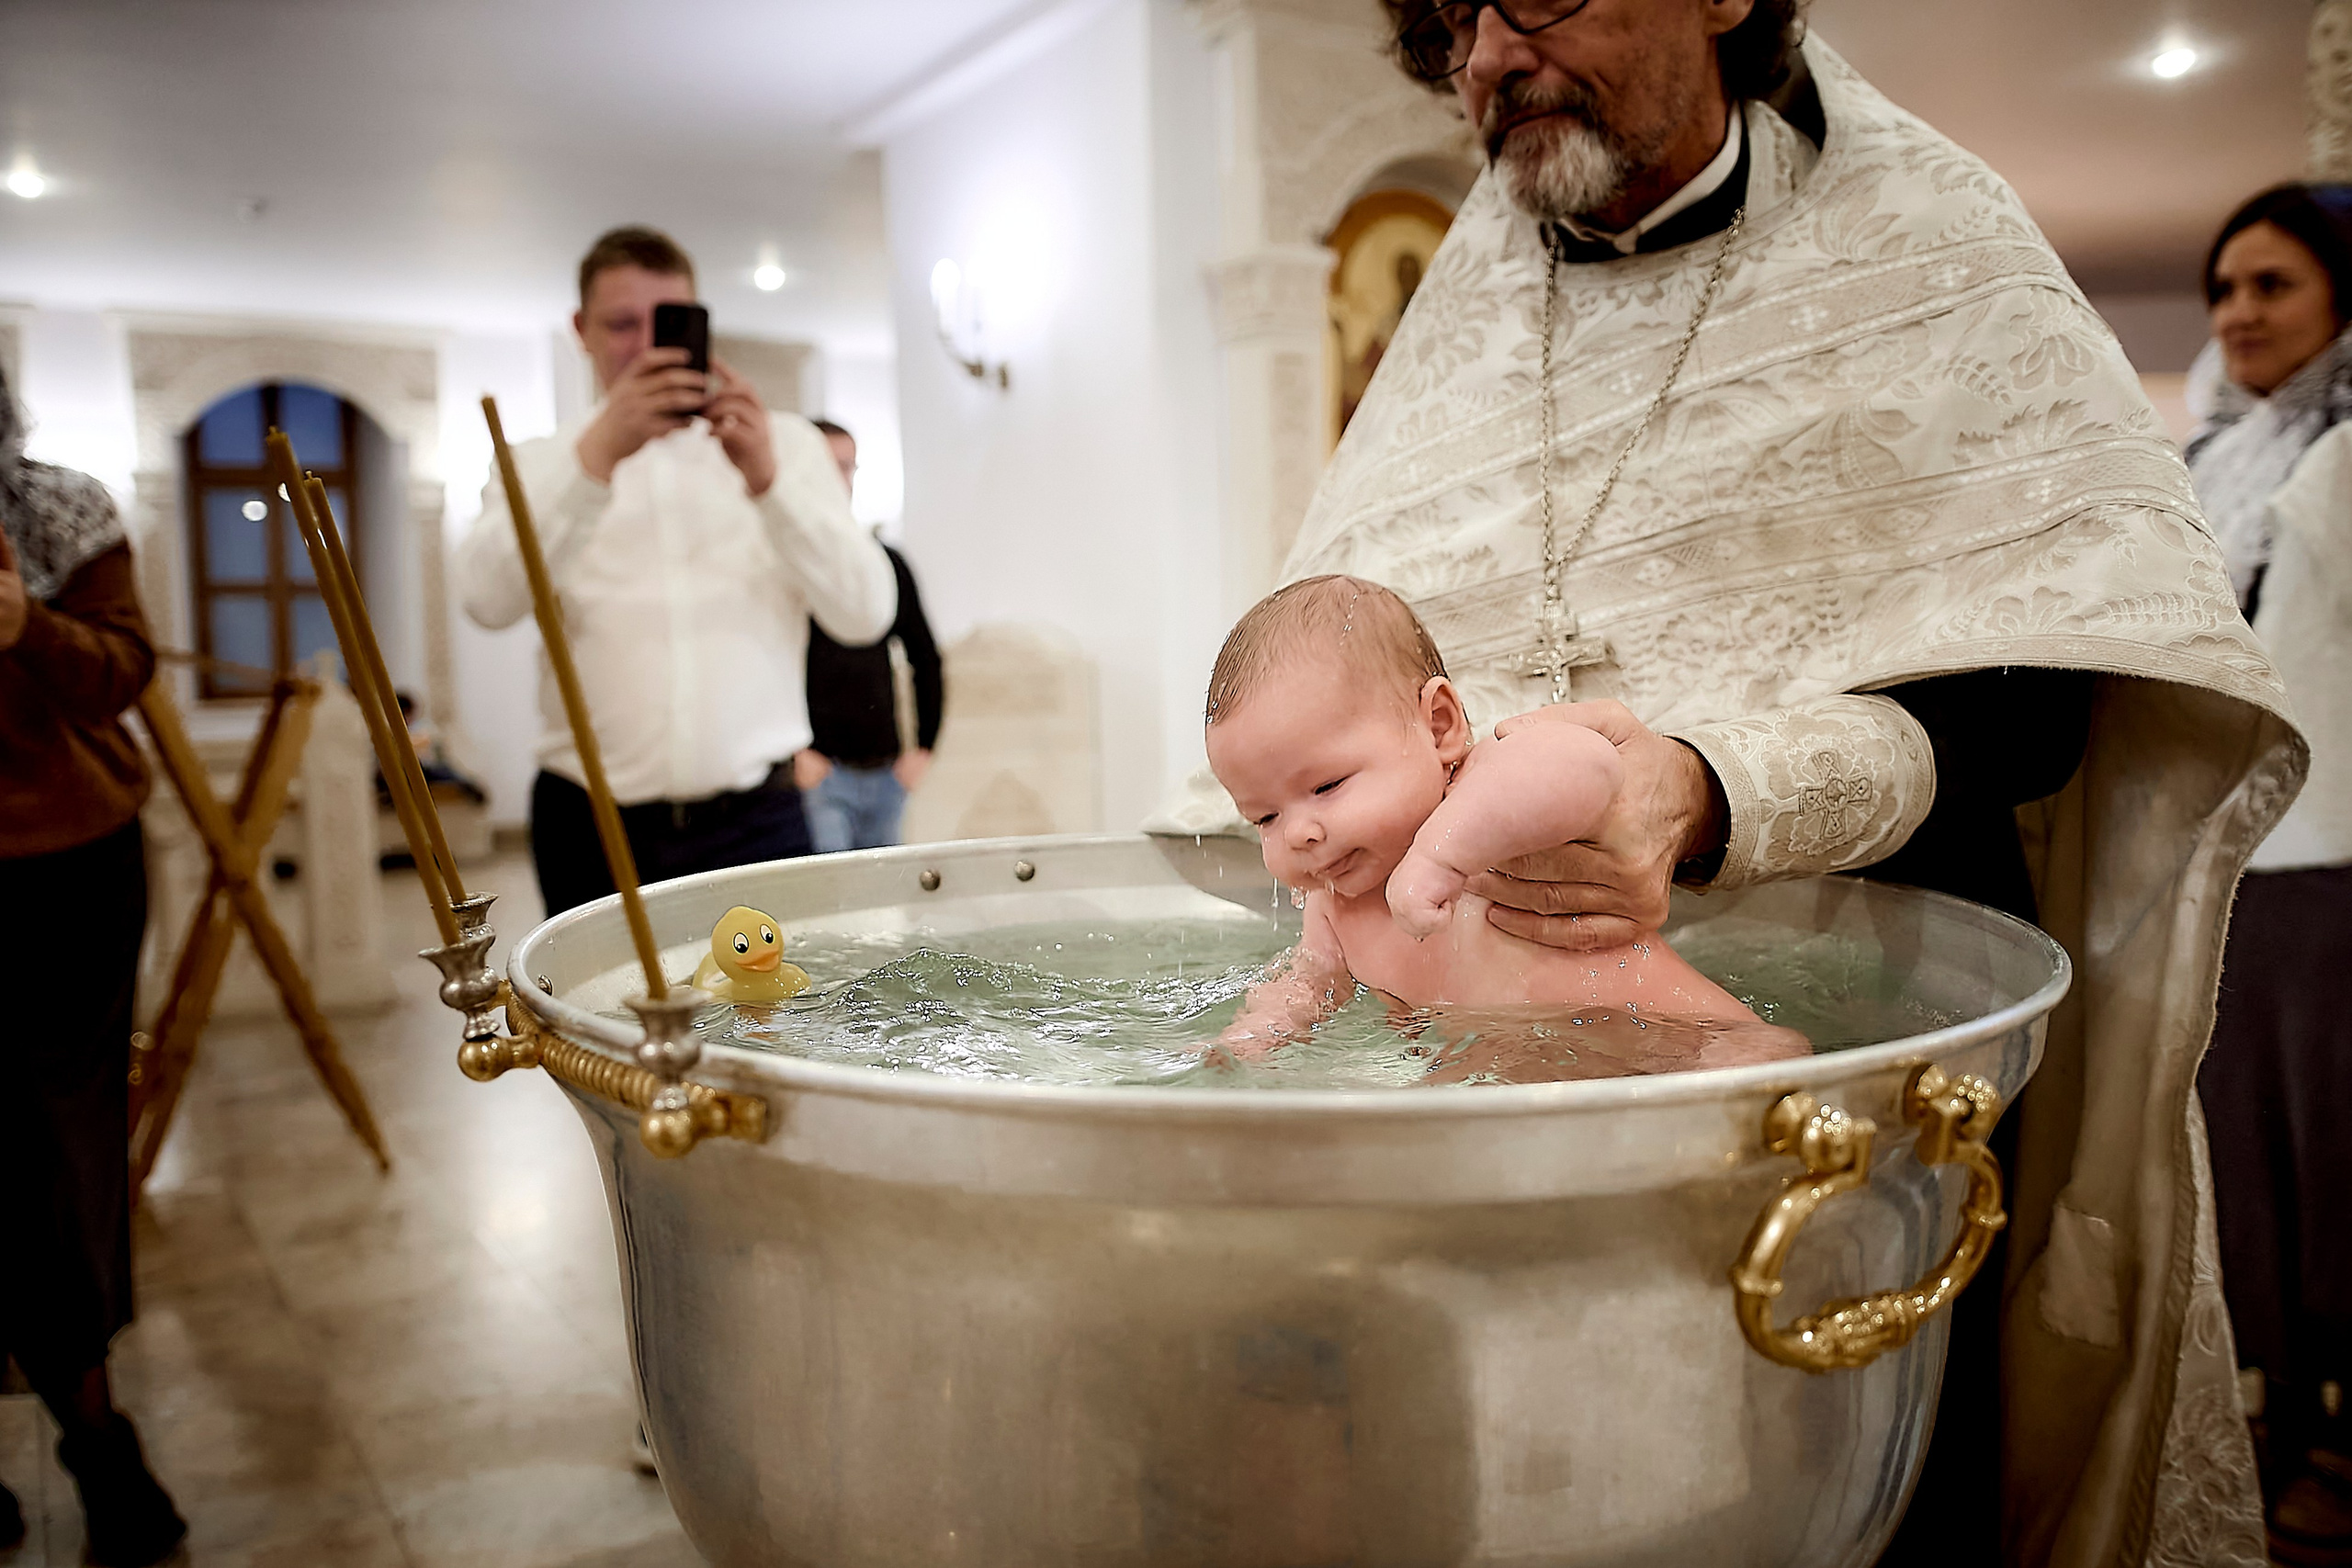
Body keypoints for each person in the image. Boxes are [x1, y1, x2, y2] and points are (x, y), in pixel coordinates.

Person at [1149, 4, 2305, 1562]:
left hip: (1856, 1016)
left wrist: (1705, 788)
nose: (1488, 54)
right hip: (1496, 1111)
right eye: (1453, 19)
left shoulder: (1931, 248)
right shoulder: (1465, 319)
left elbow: (2046, 701)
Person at [457, 227, 897, 915]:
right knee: (595, 994)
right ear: (581, 330)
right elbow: (487, 600)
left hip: (758, 820)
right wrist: (595, 459)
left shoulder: (786, 446)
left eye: (666, 322)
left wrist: (769, 482)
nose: (646, 347)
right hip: (591, 825)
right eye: (621, 324)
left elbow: (866, 614)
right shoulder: (540, 461)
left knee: (767, 992)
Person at [1204, 575, 1804, 1070]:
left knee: (1761, 1075)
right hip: (1510, 1064)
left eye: (1327, 786)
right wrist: (1245, 1042)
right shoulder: (1334, 907)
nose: (1299, 833)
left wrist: (1440, 855)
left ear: (1439, 726)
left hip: (1689, 1039)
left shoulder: (1485, 790)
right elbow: (1307, 987)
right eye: (1265, 817)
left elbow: (1589, 767)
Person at [2186, 183, 2352, 1563]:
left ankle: (2341, 1435)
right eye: (2224, 288)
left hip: (2334, 854)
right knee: (2247, 1146)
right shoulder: (2212, 453)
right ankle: (2280, 1406)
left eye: (2273, 284)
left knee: (2335, 1144)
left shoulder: (2347, 452)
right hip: (2230, 856)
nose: (2237, 313)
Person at [0, 365, 187, 1565]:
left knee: (56, 1162)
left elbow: (124, 669)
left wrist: (27, 625)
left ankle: (97, 1436)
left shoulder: (59, 508)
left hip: (59, 874)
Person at [794, 418, 944, 853]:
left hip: (885, 772)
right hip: (821, 772)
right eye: (828, 467)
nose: (839, 479)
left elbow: (925, 657)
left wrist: (924, 749)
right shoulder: (786, 566)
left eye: (847, 466)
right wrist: (794, 752)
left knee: (885, 890)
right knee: (830, 890)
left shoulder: (885, 563)